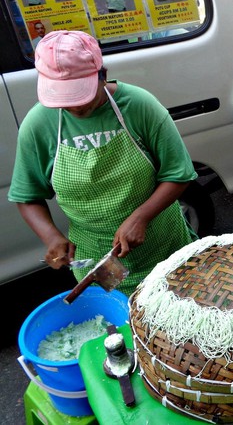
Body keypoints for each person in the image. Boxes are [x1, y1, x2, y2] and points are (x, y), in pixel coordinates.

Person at [8, 30, 197, 296]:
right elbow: (27, 196)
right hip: (98, 259)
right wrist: (51, 236)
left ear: (102, 74)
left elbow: (179, 173)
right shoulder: (39, 124)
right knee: (123, 322)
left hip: (163, 246)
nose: (74, 107)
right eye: (64, 99)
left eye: (81, 96)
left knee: (179, 310)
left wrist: (141, 216)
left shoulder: (139, 105)